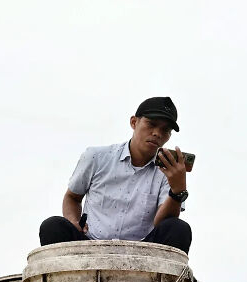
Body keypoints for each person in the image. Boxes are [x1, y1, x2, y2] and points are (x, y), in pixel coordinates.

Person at [39, 96, 192, 254]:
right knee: (52, 226)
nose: (157, 133)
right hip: (90, 246)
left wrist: (177, 192)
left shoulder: (170, 171)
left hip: (143, 252)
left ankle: (164, 279)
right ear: (134, 122)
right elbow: (72, 197)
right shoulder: (96, 157)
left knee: (179, 229)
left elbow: (164, 224)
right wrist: (73, 221)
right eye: (151, 124)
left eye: (165, 130)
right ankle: (67, 278)